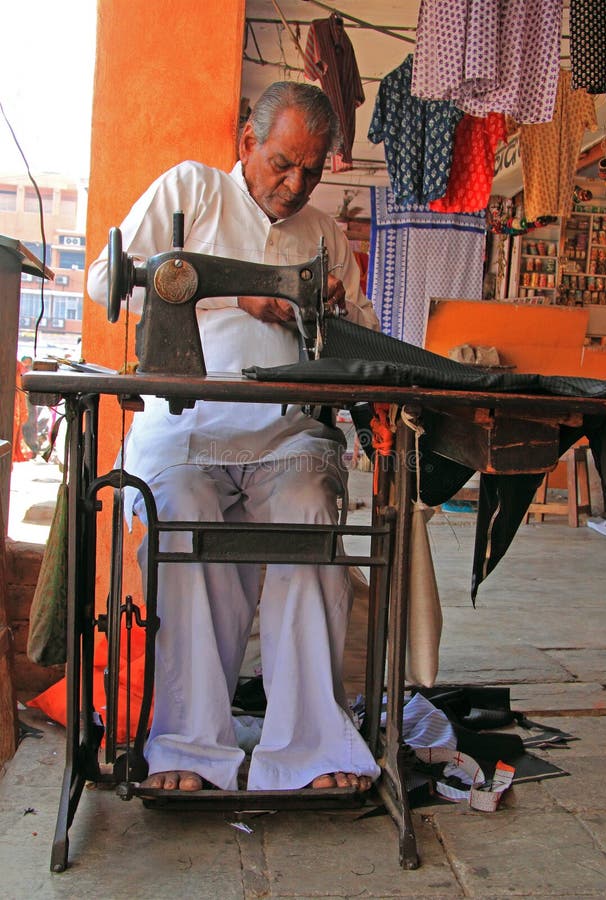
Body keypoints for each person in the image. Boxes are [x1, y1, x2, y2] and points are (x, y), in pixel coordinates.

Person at [87, 81, 380, 794]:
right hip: (186, 426)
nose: (294, 183)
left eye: (311, 171)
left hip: (286, 437)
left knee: (311, 510)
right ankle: (188, 748)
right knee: (182, 515)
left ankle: (311, 747)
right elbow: (105, 281)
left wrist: (337, 311)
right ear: (247, 144)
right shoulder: (193, 192)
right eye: (282, 162)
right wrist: (221, 293)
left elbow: (365, 339)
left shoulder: (323, 235)